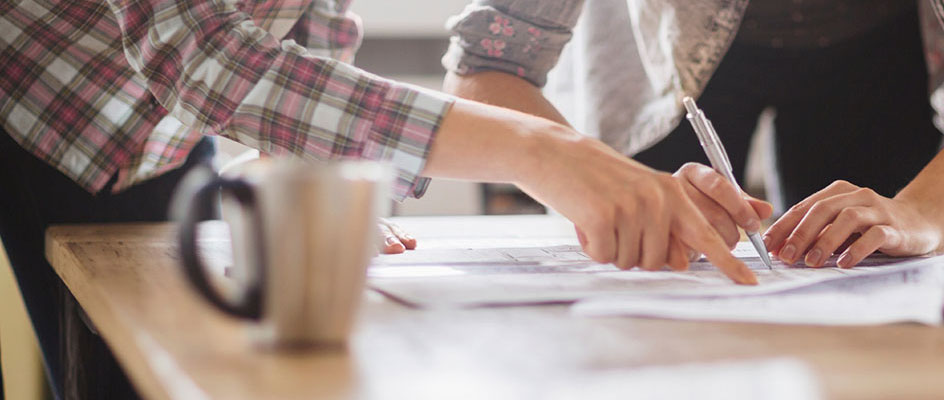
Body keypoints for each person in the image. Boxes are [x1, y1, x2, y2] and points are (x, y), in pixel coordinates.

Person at [0, 0, 766, 397]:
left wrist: (303, 165)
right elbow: (207, 59)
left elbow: (311, 27)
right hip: (39, 92)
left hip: (133, 129)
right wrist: (545, 151)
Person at [440, 0, 944, 267]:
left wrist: (926, 209)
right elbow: (486, 68)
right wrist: (599, 185)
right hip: (655, 75)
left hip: (880, 57)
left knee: (867, 270)